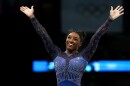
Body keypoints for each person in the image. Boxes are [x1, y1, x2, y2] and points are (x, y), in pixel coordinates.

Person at [20, 5, 124, 86]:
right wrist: (32, 17)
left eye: (75, 39)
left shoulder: (85, 55)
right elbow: (44, 35)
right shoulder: (56, 53)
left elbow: (96, 36)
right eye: (69, 37)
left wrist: (109, 20)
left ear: (80, 44)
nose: (71, 40)